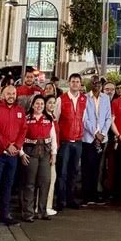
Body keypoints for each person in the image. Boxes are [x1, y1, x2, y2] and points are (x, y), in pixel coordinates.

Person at [0, 84, 27, 227]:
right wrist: (7, 145)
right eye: (8, 93)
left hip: (13, 155)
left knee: (8, 185)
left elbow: (23, 130)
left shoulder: (20, 110)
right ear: (2, 95)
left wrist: (17, 146)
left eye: (13, 93)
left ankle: (4, 215)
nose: (11, 96)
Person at [21, 95, 56, 222]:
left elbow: (53, 137)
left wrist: (54, 153)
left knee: (45, 182)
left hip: (45, 152)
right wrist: (21, 153)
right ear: (32, 105)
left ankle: (42, 211)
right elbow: (20, 136)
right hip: (30, 152)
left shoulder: (48, 118)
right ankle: (28, 213)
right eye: (37, 103)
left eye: (42, 103)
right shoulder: (26, 119)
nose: (39, 106)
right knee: (30, 184)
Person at [54, 73, 87, 210]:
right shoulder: (61, 99)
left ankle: (70, 198)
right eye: (73, 81)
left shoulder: (84, 99)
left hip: (78, 141)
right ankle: (61, 200)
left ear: (80, 84)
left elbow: (84, 119)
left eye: (77, 82)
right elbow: (56, 119)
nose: (75, 84)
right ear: (69, 83)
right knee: (62, 172)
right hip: (65, 141)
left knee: (74, 171)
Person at [82, 76, 111, 205]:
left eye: (99, 83)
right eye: (94, 83)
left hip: (102, 139)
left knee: (98, 168)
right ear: (90, 85)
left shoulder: (106, 98)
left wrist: (103, 133)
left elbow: (108, 118)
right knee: (87, 167)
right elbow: (85, 119)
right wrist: (95, 133)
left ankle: (95, 194)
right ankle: (86, 195)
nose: (96, 85)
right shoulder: (85, 98)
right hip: (89, 138)